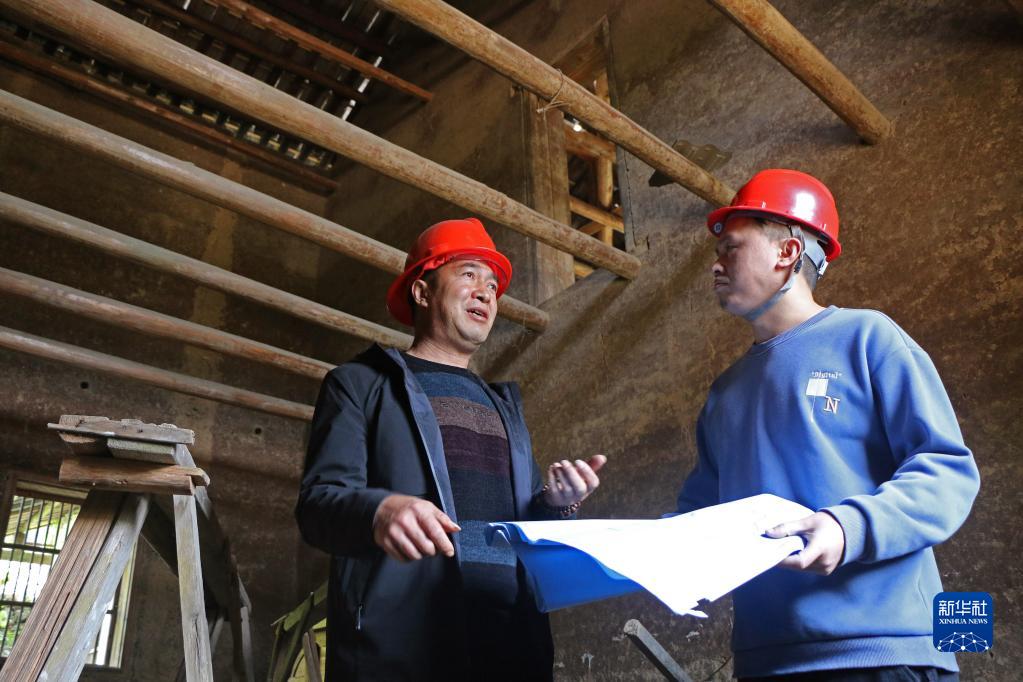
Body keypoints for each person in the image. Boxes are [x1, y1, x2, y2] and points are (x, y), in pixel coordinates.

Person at [675, 169, 980, 681]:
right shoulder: (725, 392)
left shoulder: (867, 338)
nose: (716, 264)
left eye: (731, 248)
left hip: (884, 653)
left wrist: (846, 526)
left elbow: (949, 473)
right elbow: (700, 516)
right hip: (766, 661)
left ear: (787, 252)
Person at [296, 217, 606, 681]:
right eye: (468, 274)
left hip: (511, 642)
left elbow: (522, 528)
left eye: (493, 285)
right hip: (408, 645)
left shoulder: (503, 407)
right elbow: (318, 505)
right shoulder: (359, 385)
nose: (486, 293)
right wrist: (379, 511)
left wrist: (558, 504)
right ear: (422, 292)